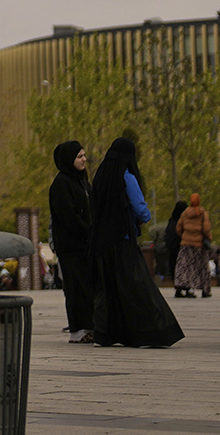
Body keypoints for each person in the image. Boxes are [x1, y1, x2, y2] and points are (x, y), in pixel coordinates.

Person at [87, 135, 183, 349]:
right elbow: (141, 209)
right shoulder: (126, 177)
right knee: (137, 287)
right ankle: (149, 333)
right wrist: (144, 217)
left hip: (101, 243)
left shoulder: (100, 177)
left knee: (107, 290)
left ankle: (104, 334)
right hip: (123, 240)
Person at [49, 142, 95, 342]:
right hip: (71, 247)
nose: (84, 159)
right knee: (76, 289)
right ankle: (78, 331)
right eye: (79, 156)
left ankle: (90, 326)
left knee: (88, 287)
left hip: (86, 245)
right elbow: (69, 217)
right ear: (69, 160)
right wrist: (88, 232)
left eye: (84, 155)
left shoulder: (83, 182)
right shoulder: (61, 184)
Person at [174, 193, 213, 299]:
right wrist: (209, 238)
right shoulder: (202, 213)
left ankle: (182, 286)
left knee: (184, 266)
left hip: (186, 243)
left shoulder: (185, 213)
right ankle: (204, 289)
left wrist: (184, 236)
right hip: (198, 244)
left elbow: (178, 227)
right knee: (201, 267)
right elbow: (206, 228)